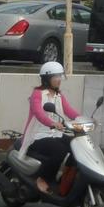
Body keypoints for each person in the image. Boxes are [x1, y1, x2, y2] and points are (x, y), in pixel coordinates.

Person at [19, 61, 81, 194]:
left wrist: (84, 120)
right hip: (37, 135)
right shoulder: (37, 93)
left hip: (55, 134)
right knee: (59, 150)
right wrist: (51, 123)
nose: (59, 80)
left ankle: (65, 179)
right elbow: (38, 112)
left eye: (60, 76)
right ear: (47, 79)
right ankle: (42, 178)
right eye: (55, 77)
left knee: (76, 146)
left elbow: (69, 110)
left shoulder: (59, 95)